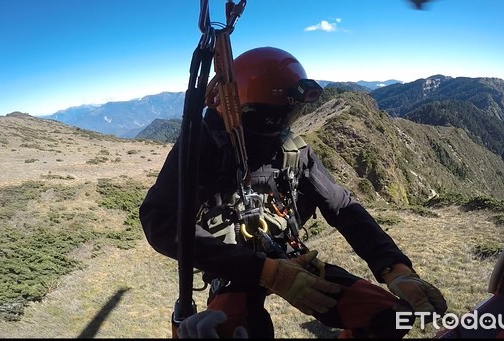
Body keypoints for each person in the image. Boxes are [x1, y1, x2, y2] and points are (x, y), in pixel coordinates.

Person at [140, 46, 447, 338]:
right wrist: (266, 272)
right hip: (232, 266)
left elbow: (341, 207)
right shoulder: (203, 149)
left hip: (288, 254)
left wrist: (394, 267)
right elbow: (161, 221)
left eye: (292, 115)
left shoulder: (293, 152)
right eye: (277, 117)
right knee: (237, 330)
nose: (286, 125)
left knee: (388, 317)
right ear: (247, 112)